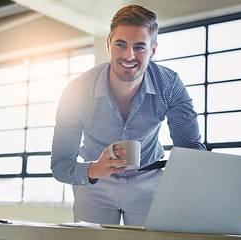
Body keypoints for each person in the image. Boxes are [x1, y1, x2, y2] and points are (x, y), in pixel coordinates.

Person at [51, 4, 206, 226]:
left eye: (140, 47)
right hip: (94, 182)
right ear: (108, 44)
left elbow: (190, 147)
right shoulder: (77, 91)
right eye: (121, 44)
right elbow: (59, 165)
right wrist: (94, 169)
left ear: (153, 50)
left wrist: (185, 180)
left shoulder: (169, 85)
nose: (129, 55)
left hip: (149, 178)